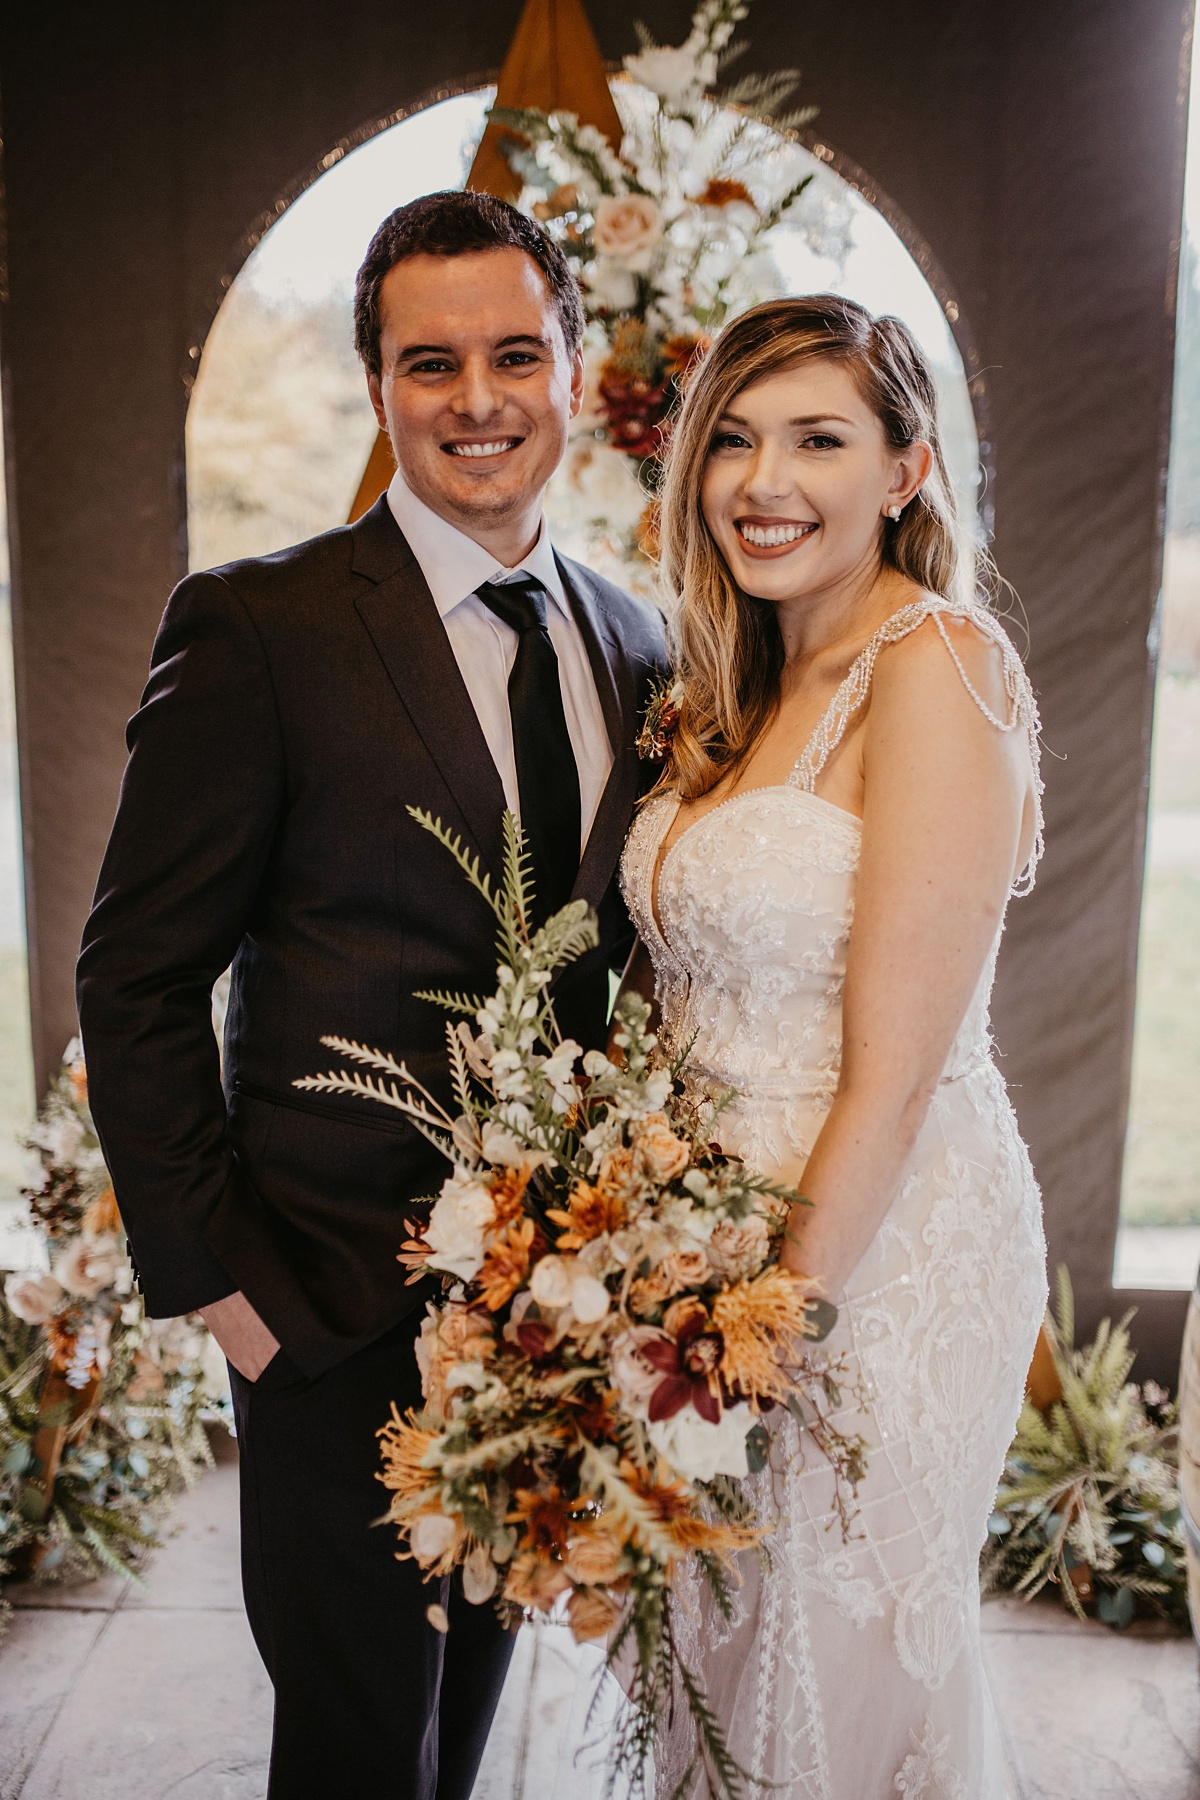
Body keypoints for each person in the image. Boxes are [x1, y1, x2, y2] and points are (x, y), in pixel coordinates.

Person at [76, 189, 668, 1800]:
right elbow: (133, 974)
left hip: (552, 1319)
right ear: (378, 385)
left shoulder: (641, 639)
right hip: (324, 1313)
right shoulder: (260, 626)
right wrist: (225, 1293)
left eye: (512, 356)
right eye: (429, 363)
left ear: (568, 366)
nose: (477, 400)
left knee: (456, 1738)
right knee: (352, 1751)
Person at [618, 295, 1048, 1796]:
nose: (763, 482)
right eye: (731, 440)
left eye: (818, 440)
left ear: (905, 470)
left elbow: (900, 1071)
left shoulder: (935, 660)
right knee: (718, 1675)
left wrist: (755, 1338)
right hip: (699, 1251)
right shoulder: (731, 683)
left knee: (831, 1688)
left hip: (875, 1251)